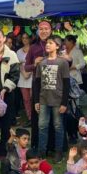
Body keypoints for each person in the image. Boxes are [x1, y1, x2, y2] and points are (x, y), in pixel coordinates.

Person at [34, 34, 70, 161]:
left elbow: (66, 84)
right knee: (42, 126)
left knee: (58, 126)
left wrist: (64, 103)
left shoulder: (63, 63)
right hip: (43, 99)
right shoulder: (41, 63)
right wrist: (36, 101)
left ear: (58, 46)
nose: (48, 45)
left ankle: (58, 151)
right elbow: (37, 83)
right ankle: (41, 151)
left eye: (51, 43)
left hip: (58, 100)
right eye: (47, 43)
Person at [24, 20, 52, 149]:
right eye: (41, 29)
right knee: (38, 114)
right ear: (38, 31)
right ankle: (37, 145)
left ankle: (53, 146)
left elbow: (67, 61)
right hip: (38, 84)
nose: (44, 31)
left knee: (55, 116)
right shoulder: (33, 47)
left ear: (50, 30)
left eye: (46, 28)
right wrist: (34, 63)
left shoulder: (56, 44)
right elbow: (26, 67)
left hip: (54, 84)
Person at [16, 32, 34, 122]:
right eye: (23, 38)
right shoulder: (18, 51)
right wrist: (24, 73)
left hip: (32, 76)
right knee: (26, 99)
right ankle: (30, 117)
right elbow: (18, 64)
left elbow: (35, 63)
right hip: (23, 76)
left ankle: (35, 117)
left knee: (32, 98)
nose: (25, 39)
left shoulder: (33, 49)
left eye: (27, 37)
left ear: (30, 39)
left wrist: (29, 73)